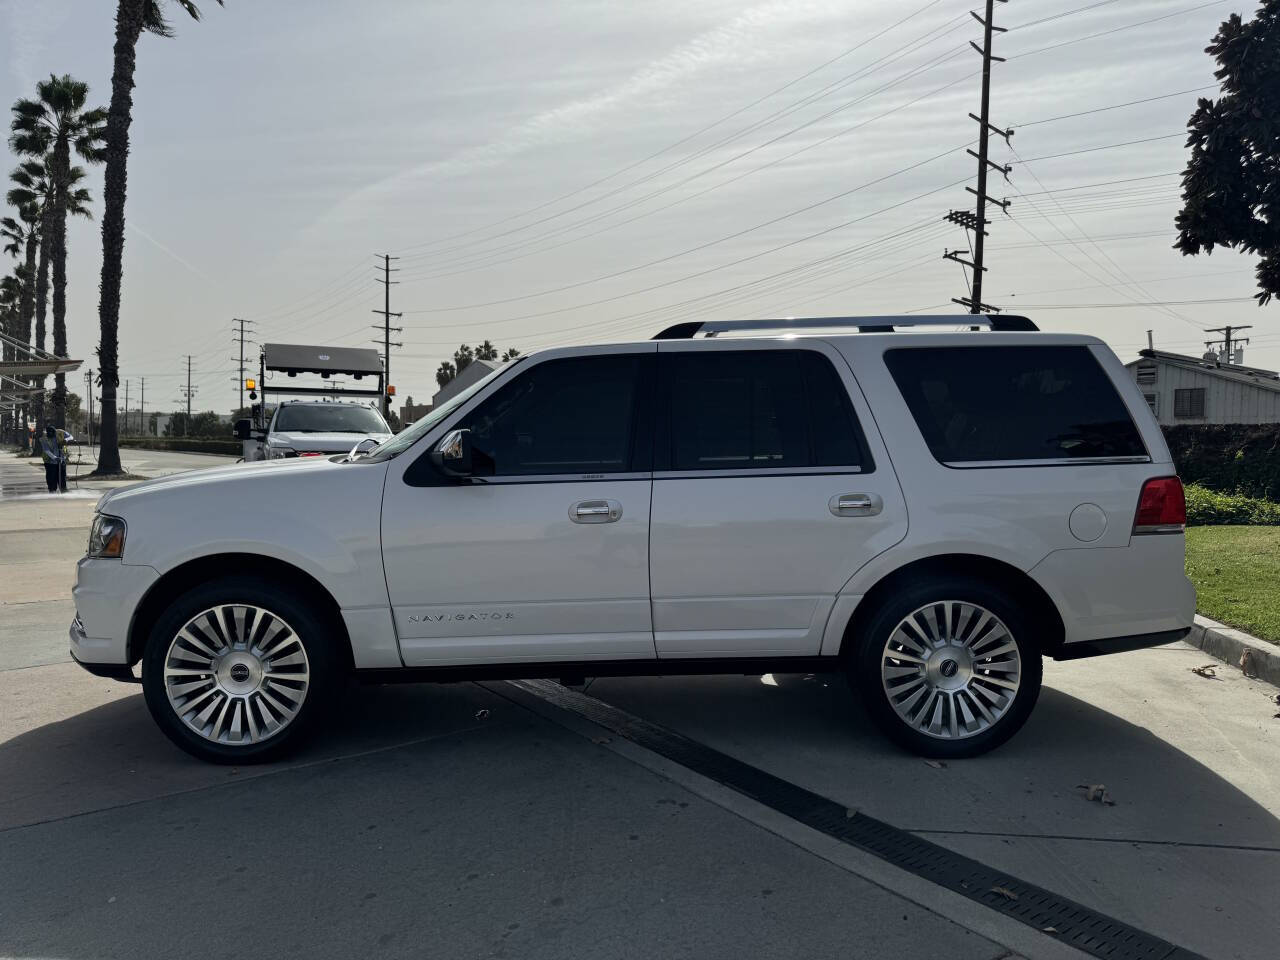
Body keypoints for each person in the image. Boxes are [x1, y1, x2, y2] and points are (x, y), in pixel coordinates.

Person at [38, 425, 74, 493]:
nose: (51, 436)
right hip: (49, 461)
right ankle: (52, 490)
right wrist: (55, 458)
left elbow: (71, 437)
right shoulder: (44, 438)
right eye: (49, 434)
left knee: (62, 476)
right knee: (51, 476)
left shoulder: (60, 432)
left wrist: (65, 440)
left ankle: (63, 490)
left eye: (53, 434)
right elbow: (46, 450)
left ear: (55, 432)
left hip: (62, 459)